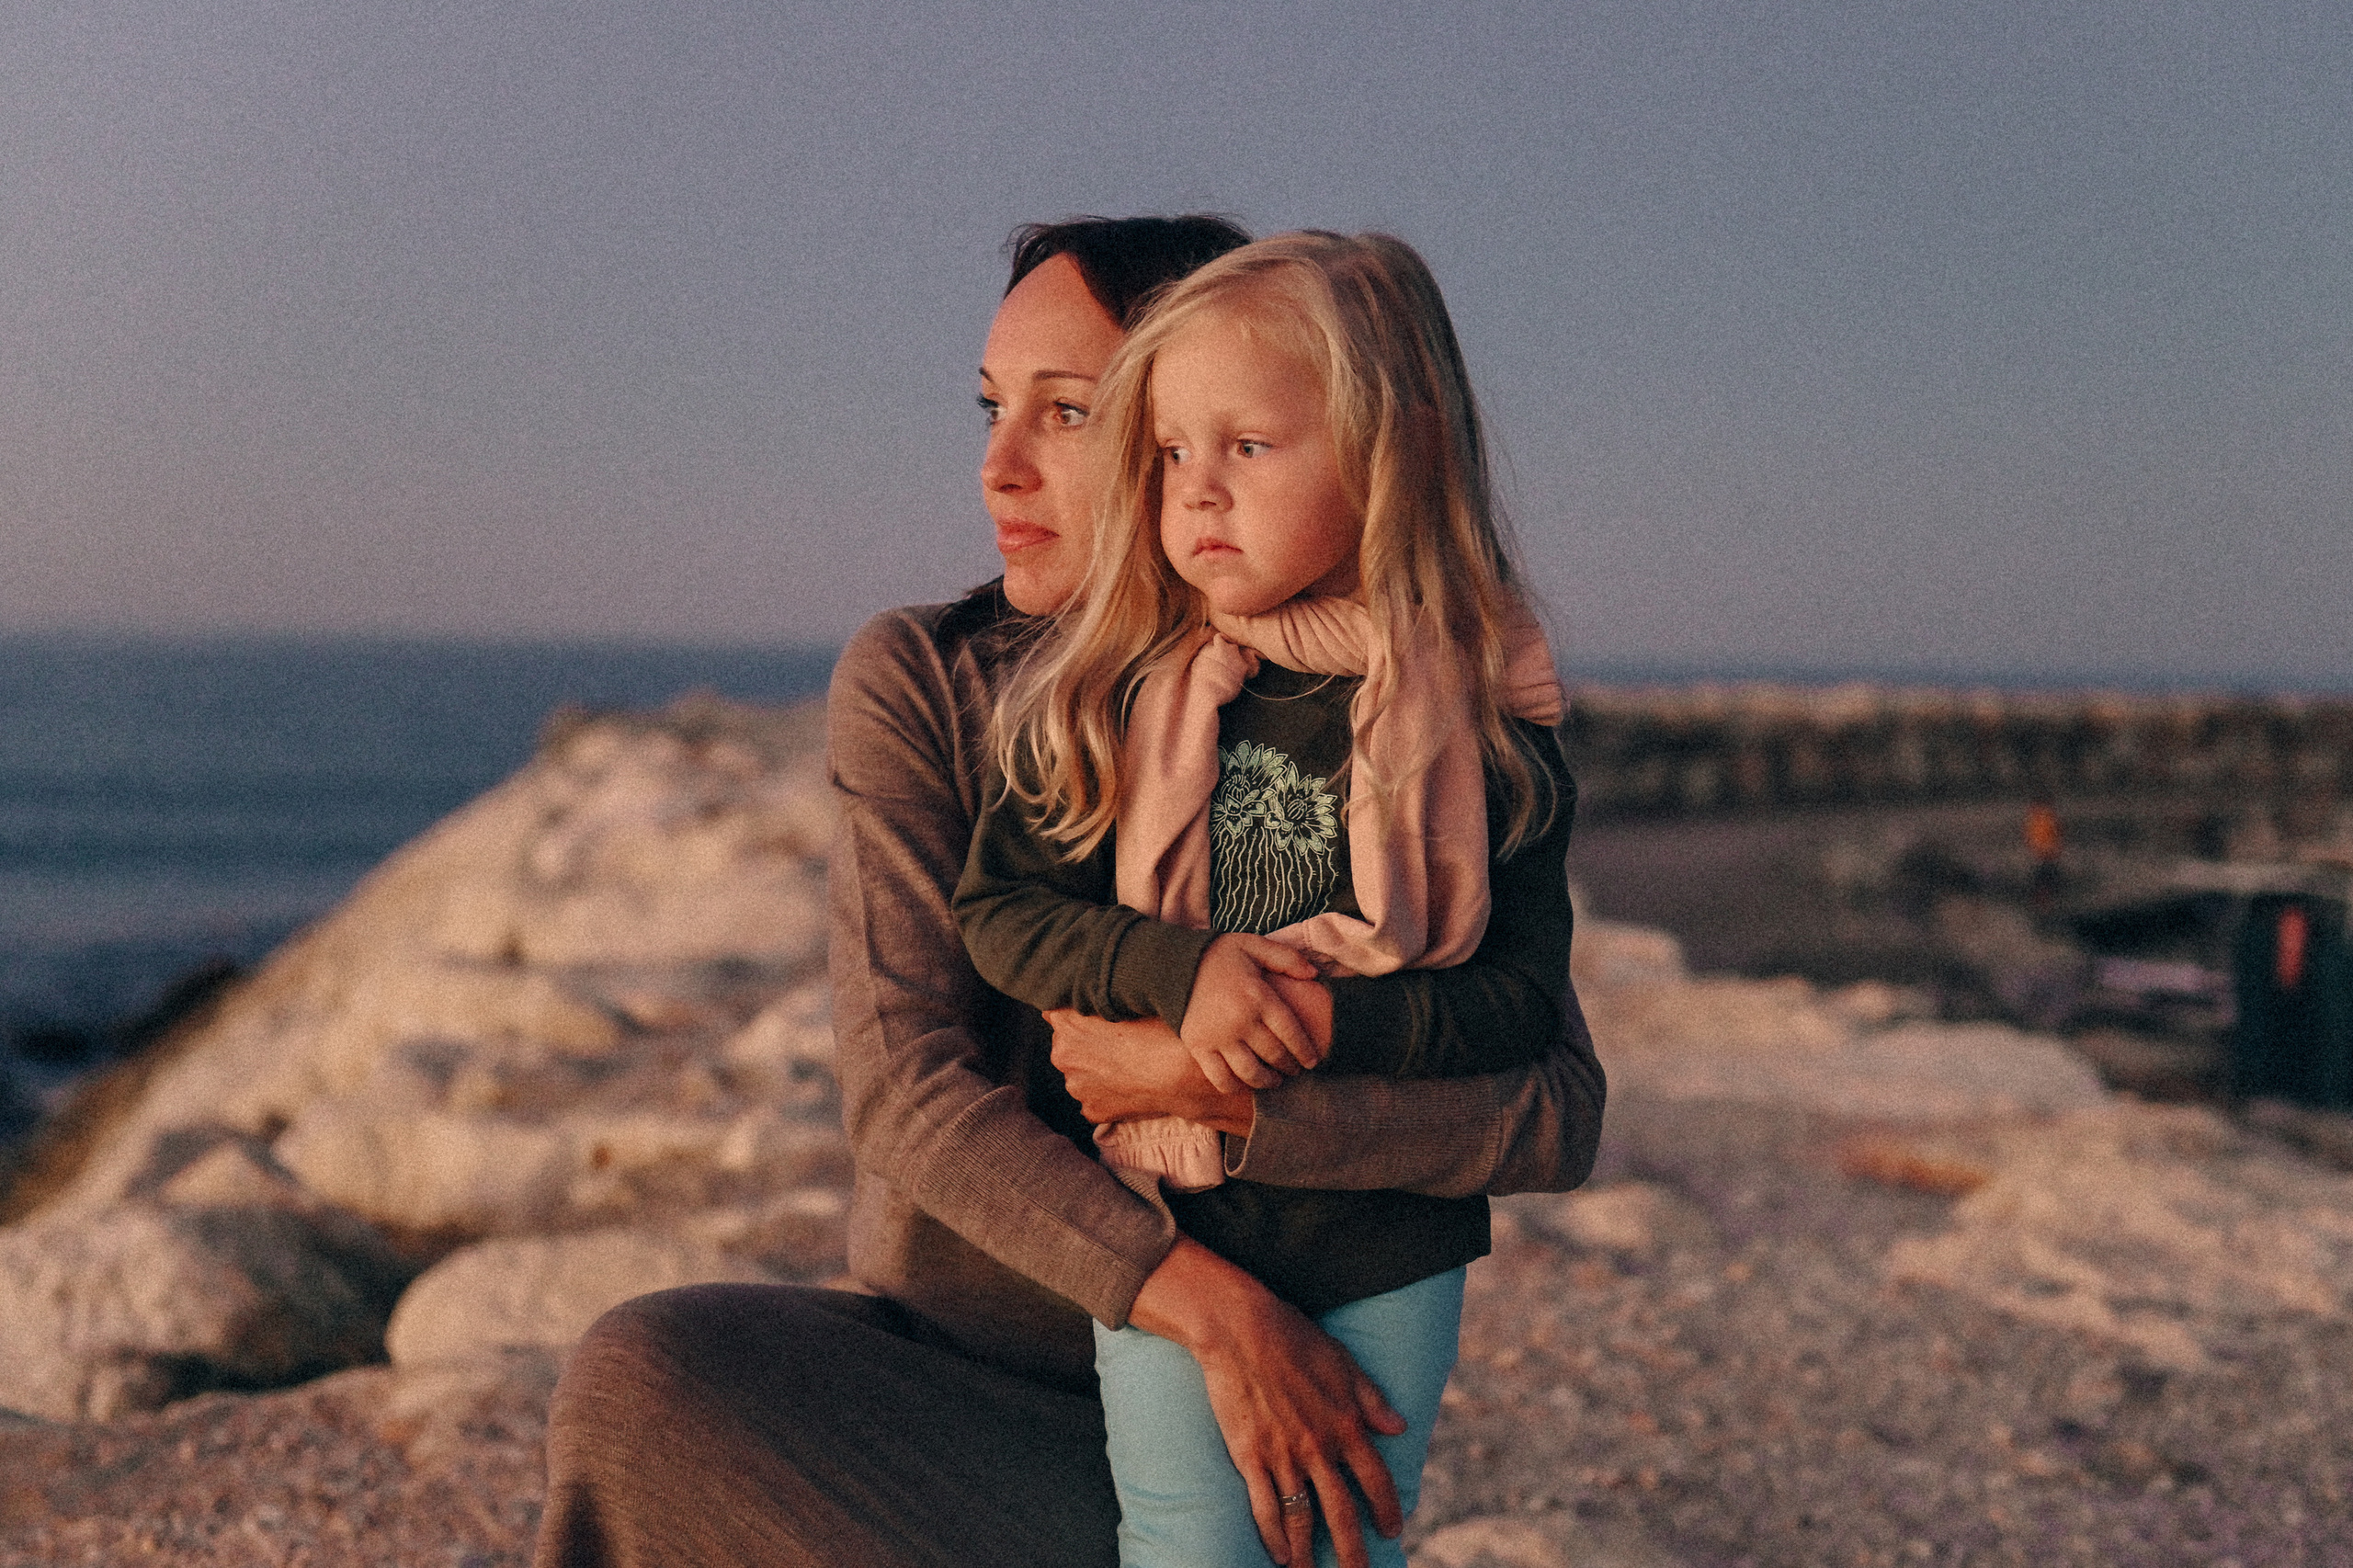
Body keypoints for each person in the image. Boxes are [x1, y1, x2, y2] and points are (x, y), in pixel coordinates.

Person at [531, 216, 1607, 1568]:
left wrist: (1221, 1093)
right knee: (647, 1376)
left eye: (1070, 412)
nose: (1000, 465)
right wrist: (1210, 1308)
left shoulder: (1390, 700)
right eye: (991, 409)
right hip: (994, 1366)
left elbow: (1554, 1108)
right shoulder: (933, 676)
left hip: (1258, 1375)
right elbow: (907, 1090)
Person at [952, 231, 1574, 1568]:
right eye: (1174, 452)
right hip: (1165, 1215)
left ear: (1384, 450)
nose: (1199, 495)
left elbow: (1521, 1001)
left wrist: (1314, 1032)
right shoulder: (1121, 685)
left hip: (1388, 1238)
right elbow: (1001, 909)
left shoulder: (1480, 713)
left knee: (1347, 1543)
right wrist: (1186, 978)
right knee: (1185, 1543)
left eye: (1250, 447)